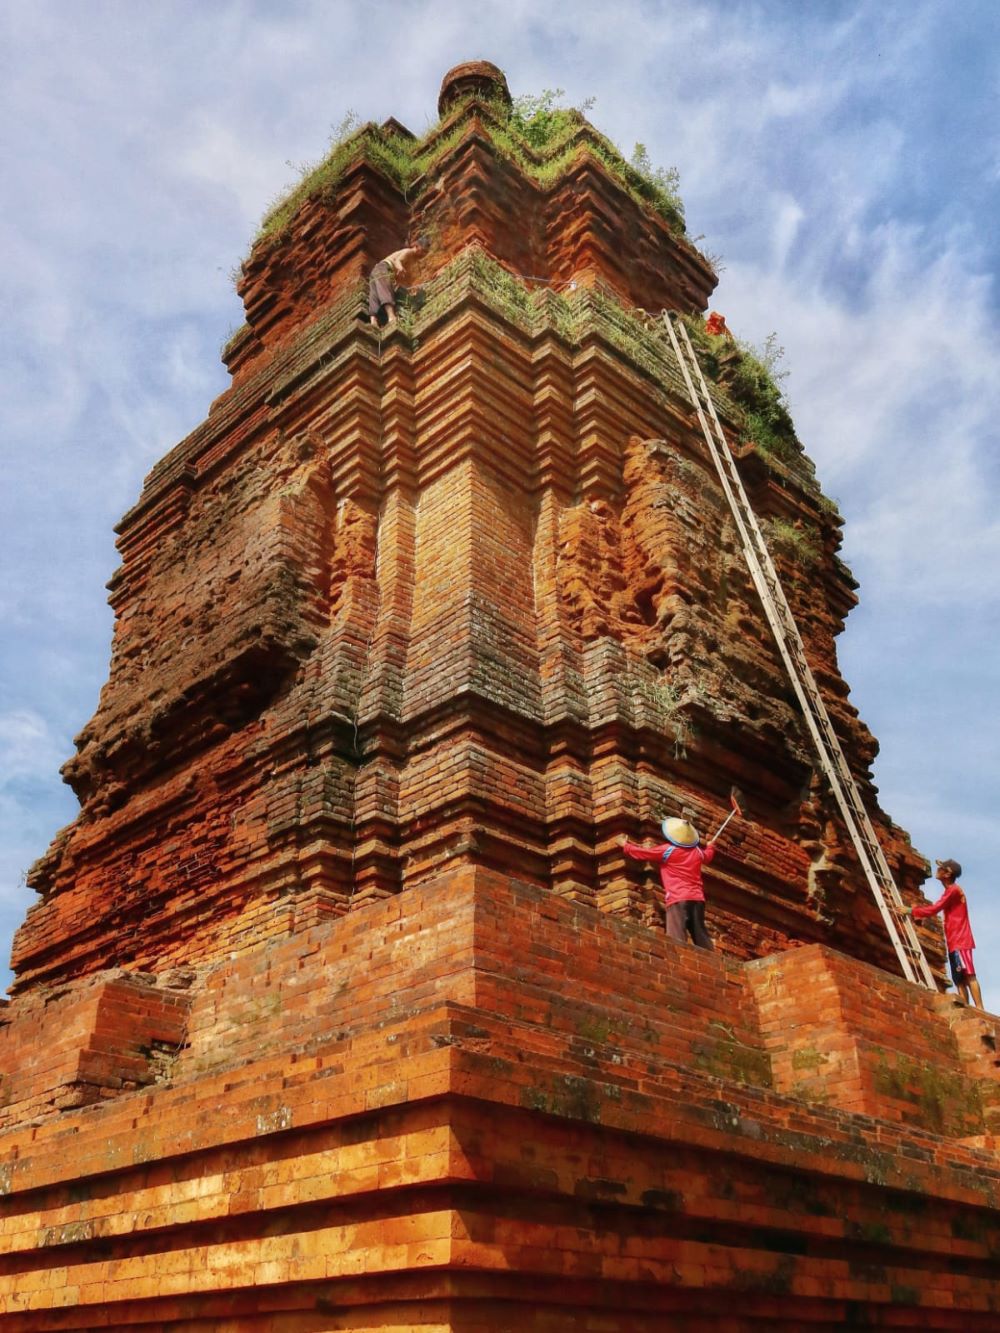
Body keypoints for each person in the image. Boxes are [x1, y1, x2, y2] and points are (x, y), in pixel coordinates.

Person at [622, 816, 716, 949]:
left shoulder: (668, 850)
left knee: (676, 937)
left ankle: (678, 956)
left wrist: (626, 846)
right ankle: (710, 956)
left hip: (678, 897)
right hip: (697, 899)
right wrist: (711, 846)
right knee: (700, 934)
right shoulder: (697, 852)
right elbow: (708, 856)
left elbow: (644, 853)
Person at [902, 859, 983, 1008]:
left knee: (969, 975)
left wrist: (911, 911)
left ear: (947, 874)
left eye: (941, 869)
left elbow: (935, 908)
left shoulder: (953, 890)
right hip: (954, 941)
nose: (937, 870)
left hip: (961, 940)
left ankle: (980, 1009)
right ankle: (966, 1008)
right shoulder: (950, 891)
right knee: (959, 979)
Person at [368, 237, 427, 327]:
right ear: (416, 246)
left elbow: (398, 275)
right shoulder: (409, 252)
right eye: (423, 251)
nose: (424, 254)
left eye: (426, 252)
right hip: (383, 267)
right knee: (385, 290)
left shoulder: (412, 259)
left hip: (376, 269)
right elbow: (397, 261)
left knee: (374, 295)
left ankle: (373, 322)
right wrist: (401, 268)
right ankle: (391, 317)